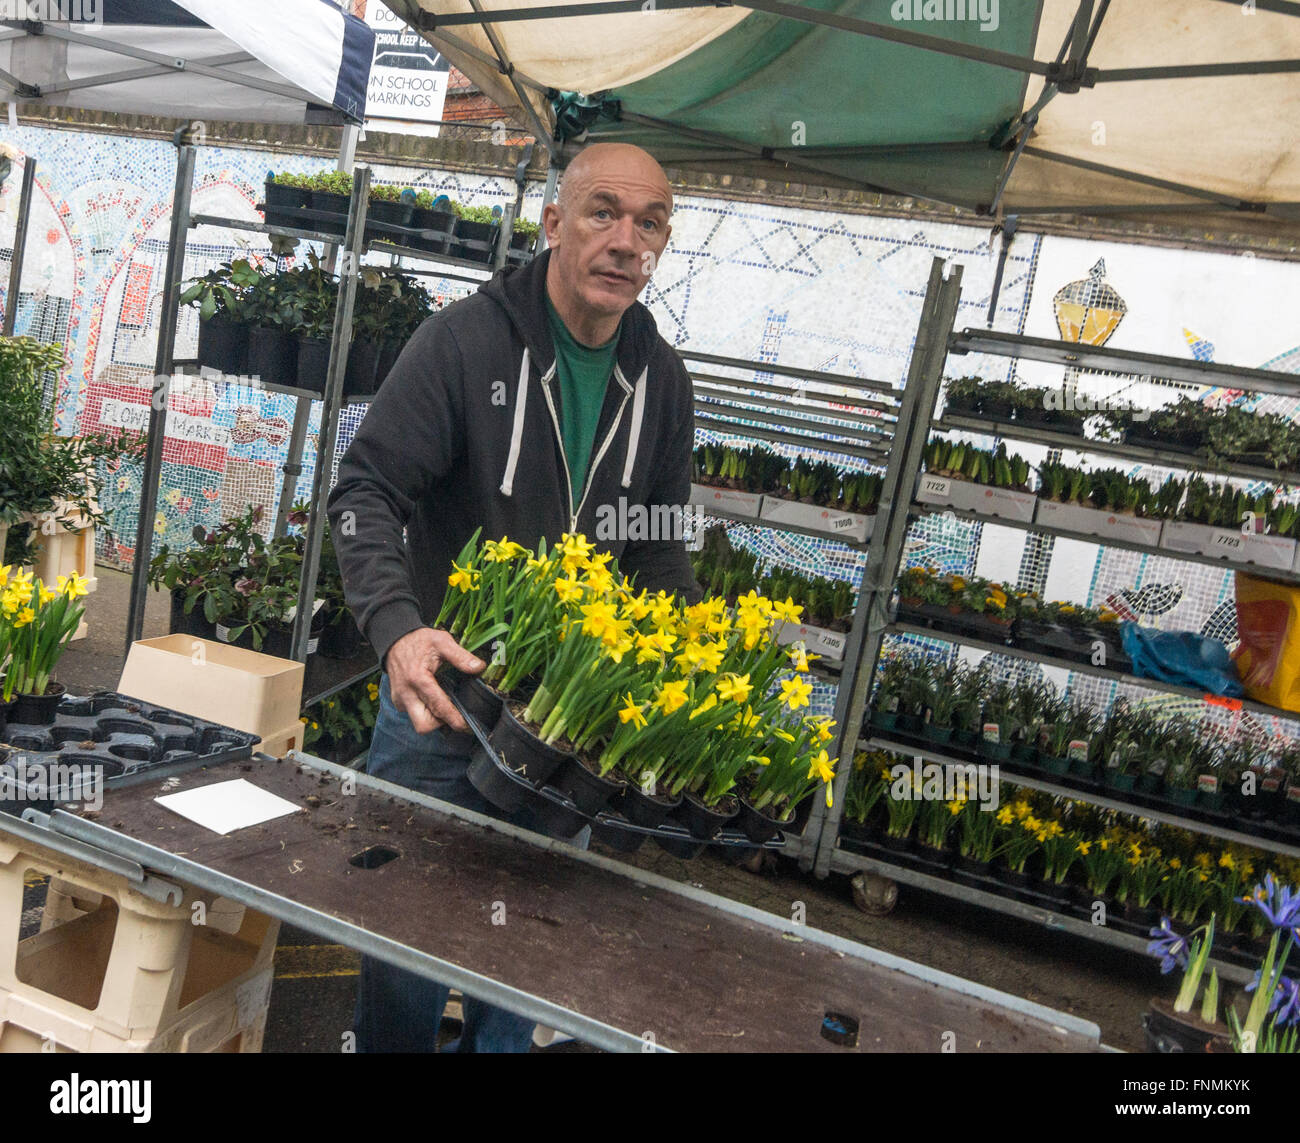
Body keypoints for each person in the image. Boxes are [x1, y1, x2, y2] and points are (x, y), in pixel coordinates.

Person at [327, 142, 701, 1053]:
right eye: (602, 212)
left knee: (521, 960)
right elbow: (365, 490)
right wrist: (398, 632)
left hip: (562, 733)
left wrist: (681, 676)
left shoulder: (662, 381)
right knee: (404, 950)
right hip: (441, 703)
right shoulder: (464, 342)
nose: (625, 240)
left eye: (648, 223)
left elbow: (658, 547)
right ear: (552, 223)